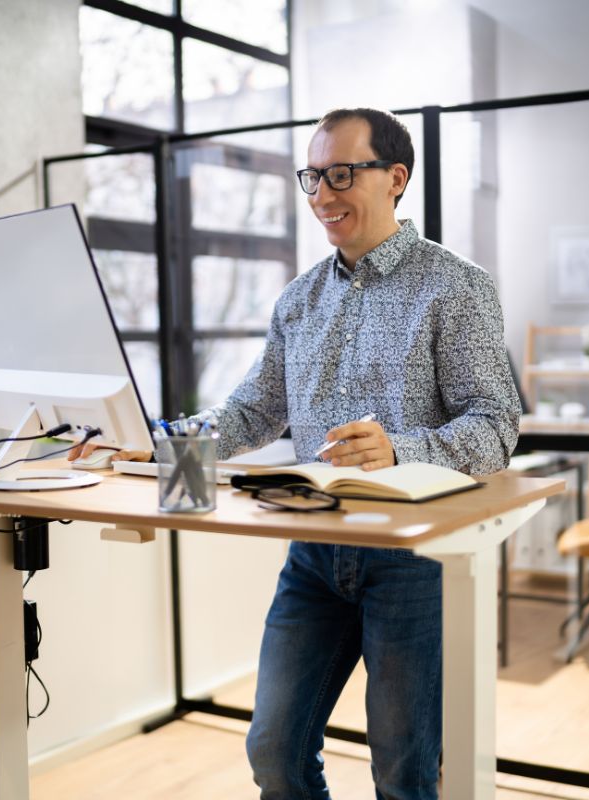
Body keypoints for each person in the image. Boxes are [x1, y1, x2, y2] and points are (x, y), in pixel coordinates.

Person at [73, 107, 519, 799]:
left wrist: (398, 450)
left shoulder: (454, 286)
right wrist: (149, 447)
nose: (322, 194)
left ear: (396, 177)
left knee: (404, 772)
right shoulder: (299, 299)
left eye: (342, 173)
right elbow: (250, 412)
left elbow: (495, 427)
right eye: (312, 176)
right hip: (312, 553)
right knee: (274, 753)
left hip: (413, 561)